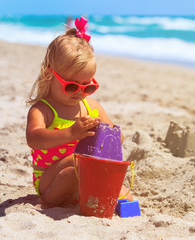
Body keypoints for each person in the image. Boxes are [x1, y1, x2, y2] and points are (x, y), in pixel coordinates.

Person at [26, 17, 132, 207]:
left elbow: (119, 138)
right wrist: (71, 133)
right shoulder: (43, 109)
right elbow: (34, 139)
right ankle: (64, 195)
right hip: (52, 180)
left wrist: (103, 133)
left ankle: (88, 194)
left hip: (87, 173)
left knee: (125, 196)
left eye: (88, 86)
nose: (80, 93)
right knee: (76, 164)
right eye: (71, 86)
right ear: (49, 75)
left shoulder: (91, 106)